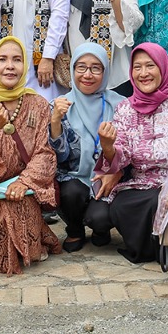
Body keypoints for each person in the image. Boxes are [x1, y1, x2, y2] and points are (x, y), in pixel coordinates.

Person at [88, 44, 168, 265]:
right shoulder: (126, 108)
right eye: (137, 67)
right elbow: (123, 155)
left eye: (150, 65)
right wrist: (108, 146)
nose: (143, 73)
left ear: (163, 67)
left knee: (158, 202)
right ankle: (150, 250)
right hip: (140, 181)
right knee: (118, 206)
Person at [0, 37, 61, 273]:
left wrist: (23, 182)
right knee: (2, 220)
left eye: (17, 60)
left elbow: (44, 152)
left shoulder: (37, 104)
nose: (10, 66)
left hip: (20, 187)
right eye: (2, 59)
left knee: (19, 209)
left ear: (25, 65)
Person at [49, 42, 121, 252]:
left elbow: (127, 152)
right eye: (81, 67)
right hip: (75, 179)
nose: (87, 75)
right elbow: (60, 158)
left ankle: (101, 228)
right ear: (72, 70)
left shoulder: (120, 105)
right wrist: (55, 122)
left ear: (105, 72)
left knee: (100, 218)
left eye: (95, 68)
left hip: (108, 178)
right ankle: (75, 229)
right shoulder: (59, 105)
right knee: (71, 192)